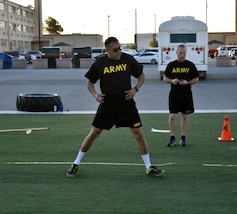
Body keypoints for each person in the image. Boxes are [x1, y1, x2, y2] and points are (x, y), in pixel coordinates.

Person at [66, 37, 165, 178]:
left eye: (119, 48)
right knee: (94, 133)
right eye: (115, 49)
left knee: (138, 133)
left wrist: (135, 89)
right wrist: (95, 95)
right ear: (107, 51)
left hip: (126, 104)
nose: (118, 51)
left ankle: (149, 167)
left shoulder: (128, 59)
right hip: (107, 105)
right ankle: (75, 164)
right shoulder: (100, 63)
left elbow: (142, 76)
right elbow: (90, 83)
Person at [163, 44, 199, 147]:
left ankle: (183, 138)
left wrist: (187, 82)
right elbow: (165, 78)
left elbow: (196, 79)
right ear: (176, 52)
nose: (182, 55)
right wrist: (172, 80)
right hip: (174, 94)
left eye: (184, 53)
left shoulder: (190, 65)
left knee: (185, 116)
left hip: (186, 94)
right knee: (173, 116)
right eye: (180, 53)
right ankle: (172, 138)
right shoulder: (171, 65)